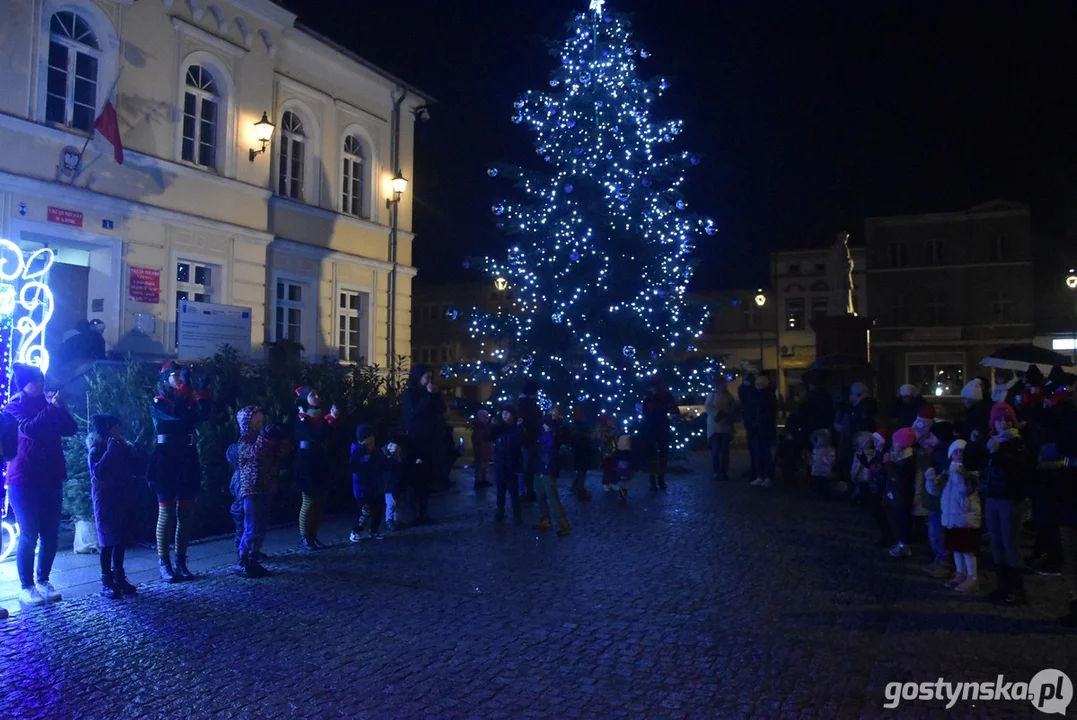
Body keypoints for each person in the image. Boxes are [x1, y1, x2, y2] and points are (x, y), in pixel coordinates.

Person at [5, 363, 78, 607]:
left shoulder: (48, 404)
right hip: (24, 478)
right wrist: (50, 408)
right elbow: (30, 429)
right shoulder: (14, 406)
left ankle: (44, 580)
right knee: (29, 533)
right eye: (34, 380)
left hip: (51, 476)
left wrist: (60, 408)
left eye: (41, 379)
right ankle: (26, 586)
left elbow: (70, 428)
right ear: (23, 384)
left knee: (51, 533)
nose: (39, 384)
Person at [146, 361, 211, 583]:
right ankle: (164, 562)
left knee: (186, 513)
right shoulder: (159, 401)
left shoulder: (187, 398)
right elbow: (176, 415)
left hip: (187, 457)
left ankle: (181, 561)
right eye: (175, 375)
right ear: (165, 380)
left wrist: (203, 391)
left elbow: (203, 416)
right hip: (166, 459)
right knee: (166, 513)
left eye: (181, 375)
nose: (180, 378)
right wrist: (186, 391)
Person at [967, 402, 1028, 606]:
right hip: (993, 495)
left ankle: (1017, 590)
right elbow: (971, 461)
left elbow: (1018, 466)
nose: (1003, 423)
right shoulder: (992, 442)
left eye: (1007, 419)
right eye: (999, 419)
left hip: (1010, 497)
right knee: (996, 541)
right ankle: (1003, 586)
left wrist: (998, 451)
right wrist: (976, 443)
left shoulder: (1018, 442)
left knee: (1009, 542)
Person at [87, 414, 143, 599]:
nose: (119, 430)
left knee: (120, 539)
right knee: (107, 541)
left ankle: (119, 575)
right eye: (115, 427)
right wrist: (110, 451)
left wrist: (136, 451)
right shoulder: (97, 449)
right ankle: (106, 580)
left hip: (121, 497)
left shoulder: (121, 447)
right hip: (104, 499)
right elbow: (99, 472)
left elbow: (135, 468)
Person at [233, 406, 285, 578]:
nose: (260, 425)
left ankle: (253, 556)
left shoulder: (262, 439)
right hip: (252, 489)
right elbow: (256, 453)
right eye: (257, 422)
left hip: (266, 486)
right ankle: (243, 559)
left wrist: (281, 439)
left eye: (262, 421)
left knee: (261, 525)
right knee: (252, 526)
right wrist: (264, 438)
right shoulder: (243, 441)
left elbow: (280, 455)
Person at [926, 439, 980, 593]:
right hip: (951, 518)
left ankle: (972, 577)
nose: (959, 454)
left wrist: (956, 473)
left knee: (967, 550)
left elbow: (964, 490)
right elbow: (936, 491)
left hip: (965, 518)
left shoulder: (970, 473)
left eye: (962, 451)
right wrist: (930, 480)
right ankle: (960, 573)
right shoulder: (948, 472)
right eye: (956, 451)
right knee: (956, 549)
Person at [294, 385, 341, 550]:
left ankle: (314, 535)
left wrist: (332, 420)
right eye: (312, 395)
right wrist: (331, 420)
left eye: (317, 394)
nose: (316, 397)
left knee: (320, 501)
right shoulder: (301, 416)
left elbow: (329, 434)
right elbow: (314, 434)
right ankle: (304, 536)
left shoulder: (321, 416)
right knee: (309, 500)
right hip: (306, 462)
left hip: (320, 460)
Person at [400, 365, 445, 525]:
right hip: (415, 442)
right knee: (415, 480)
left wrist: (436, 395)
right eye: (426, 376)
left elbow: (441, 409)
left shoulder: (430, 392)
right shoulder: (410, 394)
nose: (429, 380)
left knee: (426, 479)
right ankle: (412, 514)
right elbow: (414, 412)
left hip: (429, 441)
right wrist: (428, 396)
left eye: (430, 377)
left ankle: (423, 513)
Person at [921, 422, 955, 578]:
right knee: (937, 531)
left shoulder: (941, 453)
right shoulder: (940, 451)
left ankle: (944, 562)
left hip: (940, 500)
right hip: (939, 500)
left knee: (937, 533)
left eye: (932, 436)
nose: (930, 439)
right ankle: (940, 560)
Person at [349, 425, 392, 543]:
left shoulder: (375, 451)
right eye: (368, 437)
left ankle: (374, 530)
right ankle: (355, 531)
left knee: (378, 508)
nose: (371, 439)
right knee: (364, 511)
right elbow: (353, 467)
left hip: (376, 485)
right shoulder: (358, 451)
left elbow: (383, 464)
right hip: (363, 488)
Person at [640, 376, 680, 491]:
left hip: (659, 427)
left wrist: (674, 415)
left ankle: (658, 479)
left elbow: (673, 409)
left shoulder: (662, 397)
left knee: (661, 455)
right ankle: (655, 480)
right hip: (654, 428)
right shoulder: (651, 398)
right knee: (654, 455)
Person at [884, 427, 918, 558]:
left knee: (903, 521)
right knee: (898, 519)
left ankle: (904, 545)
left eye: (895, 441)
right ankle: (901, 542)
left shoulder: (907, 460)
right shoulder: (902, 457)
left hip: (902, 496)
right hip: (897, 494)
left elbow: (899, 476)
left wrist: (889, 464)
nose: (893, 444)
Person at [534, 414, 571, 536]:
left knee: (551, 495)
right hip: (541, 467)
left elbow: (549, 451)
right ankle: (546, 519)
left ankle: (563, 523)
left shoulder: (551, 435)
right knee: (541, 494)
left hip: (547, 468)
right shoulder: (544, 434)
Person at [491, 405, 523, 524]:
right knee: (500, 489)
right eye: (503, 412)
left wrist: (519, 427)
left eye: (507, 413)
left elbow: (519, 441)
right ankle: (500, 511)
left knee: (513, 489)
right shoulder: (500, 428)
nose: (504, 415)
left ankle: (516, 512)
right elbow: (489, 437)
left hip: (511, 462)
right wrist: (493, 426)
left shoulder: (516, 427)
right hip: (500, 462)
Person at [705, 376, 737, 482]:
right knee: (715, 451)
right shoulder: (712, 395)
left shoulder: (729, 396)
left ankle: (724, 471)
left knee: (725, 450)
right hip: (715, 427)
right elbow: (708, 407)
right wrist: (717, 414)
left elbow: (733, 407)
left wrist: (730, 416)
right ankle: (717, 472)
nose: (723, 386)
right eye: (721, 384)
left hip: (725, 426)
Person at [748, 373, 777, 488]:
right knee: (759, 453)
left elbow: (769, 412)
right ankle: (761, 476)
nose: (757, 385)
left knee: (765, 453)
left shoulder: (768, 396)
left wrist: (758, 420)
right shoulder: (758, 395)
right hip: (758, 428)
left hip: (764, 428)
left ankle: (767, 476)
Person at [517, 381, 544, 502]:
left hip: (529, 438)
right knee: (527, 466)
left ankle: (527, 491)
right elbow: (532, 421)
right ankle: (526, 491)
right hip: (529, 439)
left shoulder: (523, 403)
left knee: (528, 466)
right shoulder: (528, 405)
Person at [569, 408, 593, 501]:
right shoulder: (584, 427)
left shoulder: (574, 427)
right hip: (583, 452)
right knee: (582, 473)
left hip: (577, 452)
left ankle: (577, 487)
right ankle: (581, 492)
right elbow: (588, 439)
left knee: (580, 472)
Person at [739, 374, 759, 480]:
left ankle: (756, 470)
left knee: (755, 447)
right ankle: (755, 469)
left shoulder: (750, 391)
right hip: (750, 420)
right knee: (753, 446)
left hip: (753, 421)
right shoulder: (749, 390)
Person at [809, 429, 836, 500]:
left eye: (823, 439)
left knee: (824, 485)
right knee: (817, 484)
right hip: (816, 471)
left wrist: (826, 463)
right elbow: (813, 457)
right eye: (819, 439)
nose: (821, 441)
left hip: (825, 472)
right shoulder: (815, 449)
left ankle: (825, 496)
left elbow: (831, 459)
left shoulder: (829, 449)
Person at [471, 409, 493, 490]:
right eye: (484, 417)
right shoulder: (479, 427)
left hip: (485, 449)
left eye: (487, 417)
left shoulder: (484, 426)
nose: (486, 419)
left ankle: (483, 480)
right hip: (481, 449)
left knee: (484, 466)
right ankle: (479, 481)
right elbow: (478, 439)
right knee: (480, 466)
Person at [597, 414, 617, 492]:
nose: (611, 422)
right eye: (609, 420)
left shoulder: (613, 428)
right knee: (607, 468)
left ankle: (612, 482)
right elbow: (604, 440)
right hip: (606, 451)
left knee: (613, 468)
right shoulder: (603, 430)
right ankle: (606, 483)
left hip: (614, 450)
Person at [612, 434, 634, 503]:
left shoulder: (616, 453)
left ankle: (621, 494)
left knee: (618, 484)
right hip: (627, 472)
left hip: (618, 472)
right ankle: (624, 494)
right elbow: (633, 461)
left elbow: (613, 461)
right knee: (626, 484)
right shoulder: (630, 453)